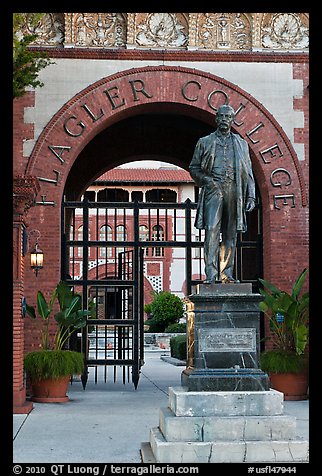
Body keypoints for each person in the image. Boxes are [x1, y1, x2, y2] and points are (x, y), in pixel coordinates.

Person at [189, 104, 256, 283]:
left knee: (230, 233)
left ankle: (226, 273)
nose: (224, 120)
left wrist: (251, 195)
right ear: (216, 119)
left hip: (235, 190)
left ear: (233, 120)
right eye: (221, 117)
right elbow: (194, 167)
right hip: (213, 189)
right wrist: (206, 180)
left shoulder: (242, 144)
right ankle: (211, 275)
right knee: (212, 229)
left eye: (228, 117)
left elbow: (248, 171)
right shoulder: (205, 142)